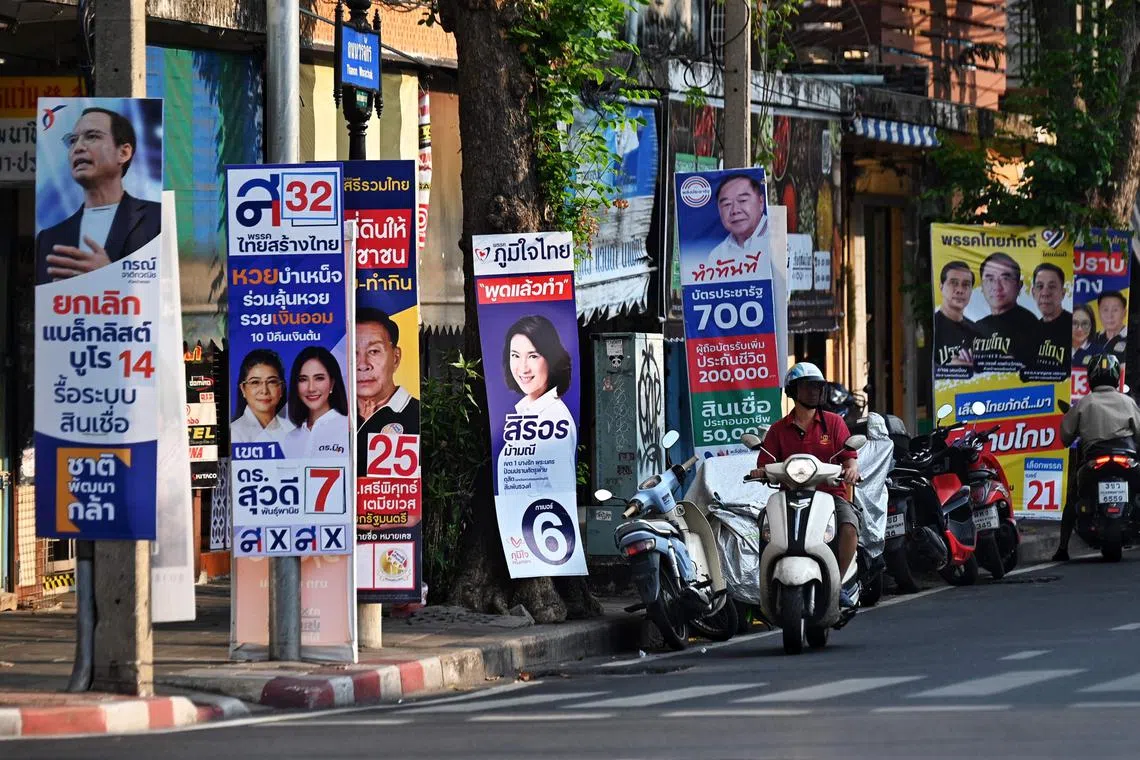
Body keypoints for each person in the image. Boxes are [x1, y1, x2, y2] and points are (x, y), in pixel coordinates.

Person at [748, 362, 861, 607]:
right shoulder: (779, 429)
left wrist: (851, 469)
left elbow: (849, 457)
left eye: (817, 387)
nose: (813, 392)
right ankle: (767, 582)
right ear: (793, 391)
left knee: (850, 526)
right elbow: (765, 461)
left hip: (831, 496)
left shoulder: (833, 423)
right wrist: (760, 471)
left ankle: (837, 584)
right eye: (807, 386)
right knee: (764, 526)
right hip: (789, 497)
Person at [35, 106, 161, 285]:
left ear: (123, 152)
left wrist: (109, 276)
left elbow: (163, 294)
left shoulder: (157, 219)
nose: (77, 147)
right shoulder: (49, 239)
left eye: (92, 136)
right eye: (72, 140)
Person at [1053, 354, 1140, 561]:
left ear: (1090, 377)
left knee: (1073, 497)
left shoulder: (1084, 403)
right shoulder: (1127, 402)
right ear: (1116, 376)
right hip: (1126, 459)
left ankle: (1062, 548)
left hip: (1094, 460)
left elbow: (1065, 436)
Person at [498, 315, 577, 495]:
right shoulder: (527, 411)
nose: (523, 368)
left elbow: (562, 492)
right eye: (515, 356)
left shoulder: (554, 418)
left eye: (533, 356)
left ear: (551, 359)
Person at [356, 307, 421, 476]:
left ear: (396, 357)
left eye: (374, 351)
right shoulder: (334, 416)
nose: (362, 364)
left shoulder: (416, 414)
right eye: (353, 353)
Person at [284, 346, 351, 459]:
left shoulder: (348, 428)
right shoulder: (290, 438)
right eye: (303, 379)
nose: (311, 388)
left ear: (332, 383)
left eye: (319, 378)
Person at [975, 252, 1040, 367]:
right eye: (990, 279)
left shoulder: (1029, 325)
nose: (996, 287)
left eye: (1005, 278)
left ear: (1019, 286)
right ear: (982, 286)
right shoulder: (978, 326)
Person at [705, 174, 769, 274]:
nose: (735, 210)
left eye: (743, 200)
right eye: (727, 204)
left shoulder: (779, 238)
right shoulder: (716, 255)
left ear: (761, 202)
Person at [230, 349, 295, 445]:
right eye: (255, 382)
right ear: (243, 389)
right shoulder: (234, 433)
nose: (264, 391)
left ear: (282, 388)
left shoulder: (293, 430)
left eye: (272, 382)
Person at [933, 261, 982, 370]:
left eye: (966, 284)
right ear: (941, 287)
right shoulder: (932, 328)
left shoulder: (977, 333)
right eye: (954, 283)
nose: (960, 290)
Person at [1032, 262, 1071, 359]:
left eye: (1052, 287)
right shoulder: (1030, 332)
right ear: (1033, 293)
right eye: (1040, 286)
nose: (1045, 293)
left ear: (1063, 293)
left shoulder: (1074, 328)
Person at [1095, 291, 1128, 359]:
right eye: (1105, 310)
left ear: (1124, 312)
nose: (1110, 315)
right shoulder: (1093, 338)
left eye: (1115, 310)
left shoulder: (1131, 338)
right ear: (1099, 312)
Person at [1072, 303, 1099, 369]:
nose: (1079, 329)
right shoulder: (1058, 349)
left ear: (1092, 326)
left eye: (1085, 323)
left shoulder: (1099, 353)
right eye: (1074, 323)